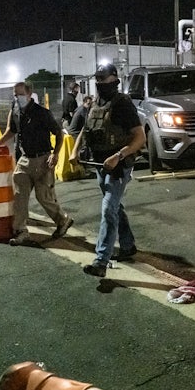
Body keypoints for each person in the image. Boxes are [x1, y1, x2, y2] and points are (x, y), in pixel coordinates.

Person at [70, 64, 146, 277]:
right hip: (99, 164)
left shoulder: (123, 104)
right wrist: (75, 151)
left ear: (114, 79)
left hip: (118, 167)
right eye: (97, 79)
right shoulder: (95, 103)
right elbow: (86, 129)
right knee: (114, 208)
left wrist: (118, 156)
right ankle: (128, 245)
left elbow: (140, 137)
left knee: (108, 209)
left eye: (103, 78)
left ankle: (101, 260)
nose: (99, 82)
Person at [0, 82, 74, 246]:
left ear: (29, 94)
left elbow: (59, 133)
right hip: (24, 159)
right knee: (19, 196)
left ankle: (62, 220)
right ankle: (21, 231)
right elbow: (11, 130)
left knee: (43, 197)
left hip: (42, 159)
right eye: (15, 94)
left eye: (20, 94)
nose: (17, 98)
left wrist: (55, 154)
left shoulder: (42, 113)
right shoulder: (15, 112)